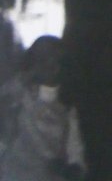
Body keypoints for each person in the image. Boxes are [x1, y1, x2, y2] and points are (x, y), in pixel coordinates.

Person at [0, 35, 85, 181]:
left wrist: (71, 168)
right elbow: (5, 97)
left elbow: (75, 153)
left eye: (55, 59)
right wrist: (27, 77)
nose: (49, 66)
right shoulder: (21, 96)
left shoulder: (67, 110)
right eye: (42, 59)